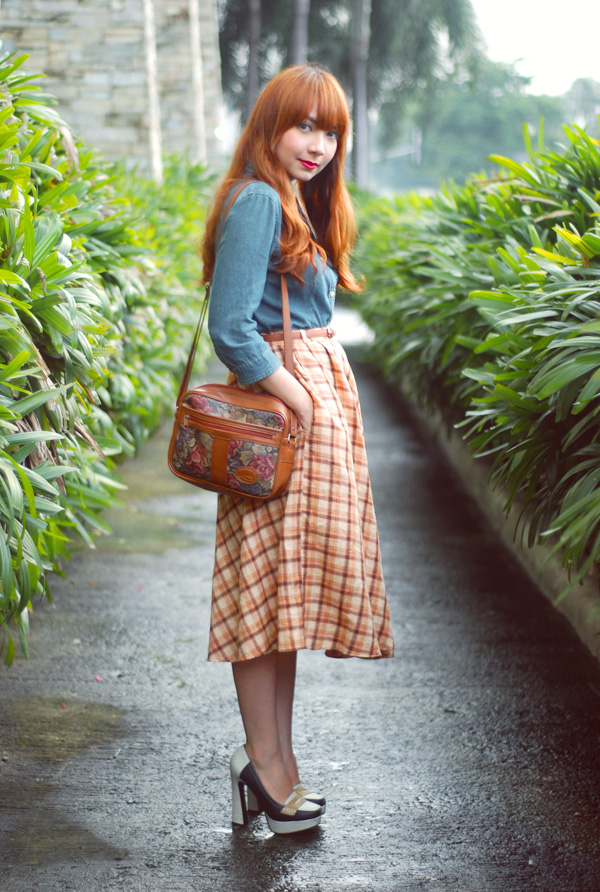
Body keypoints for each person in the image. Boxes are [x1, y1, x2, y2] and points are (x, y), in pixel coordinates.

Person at [201, 64, 394, 836]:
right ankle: (266, 765)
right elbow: (231, 326)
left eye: (330, 131)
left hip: (303, 403)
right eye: (303, 125)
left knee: (283, 600)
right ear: (270, 126)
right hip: (283, 411)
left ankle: (275, 762)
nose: (317, 144)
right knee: (262, 595)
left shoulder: (296, 200)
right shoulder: (257, 200)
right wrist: (302, 398)